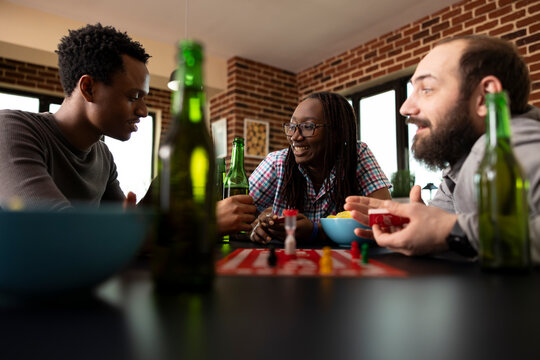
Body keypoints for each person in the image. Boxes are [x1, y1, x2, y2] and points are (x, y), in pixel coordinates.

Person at [0, 23, 256, 236]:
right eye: (134, 96)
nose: (144, 111)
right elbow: (62, 234)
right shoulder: (12, 130)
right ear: (88, 88)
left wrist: (166, 181)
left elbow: (127, 230)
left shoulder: (103, 156)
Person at [344, 35, 540, 262]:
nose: (405, 108)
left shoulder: (514, 145)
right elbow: (443, 227)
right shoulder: (460, 164)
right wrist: (422, 228)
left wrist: (450, 230)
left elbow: (451, 229)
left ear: (485, 97)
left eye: (427, 89)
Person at [249, 92, 391, 244]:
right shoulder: (277, 163)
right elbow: (233, 219)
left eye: (308, 127)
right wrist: (253, 229)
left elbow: (385, 219)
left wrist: (316, 231)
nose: (295, 137)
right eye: (292, 126)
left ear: (337, 132)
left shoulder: (356, 155)